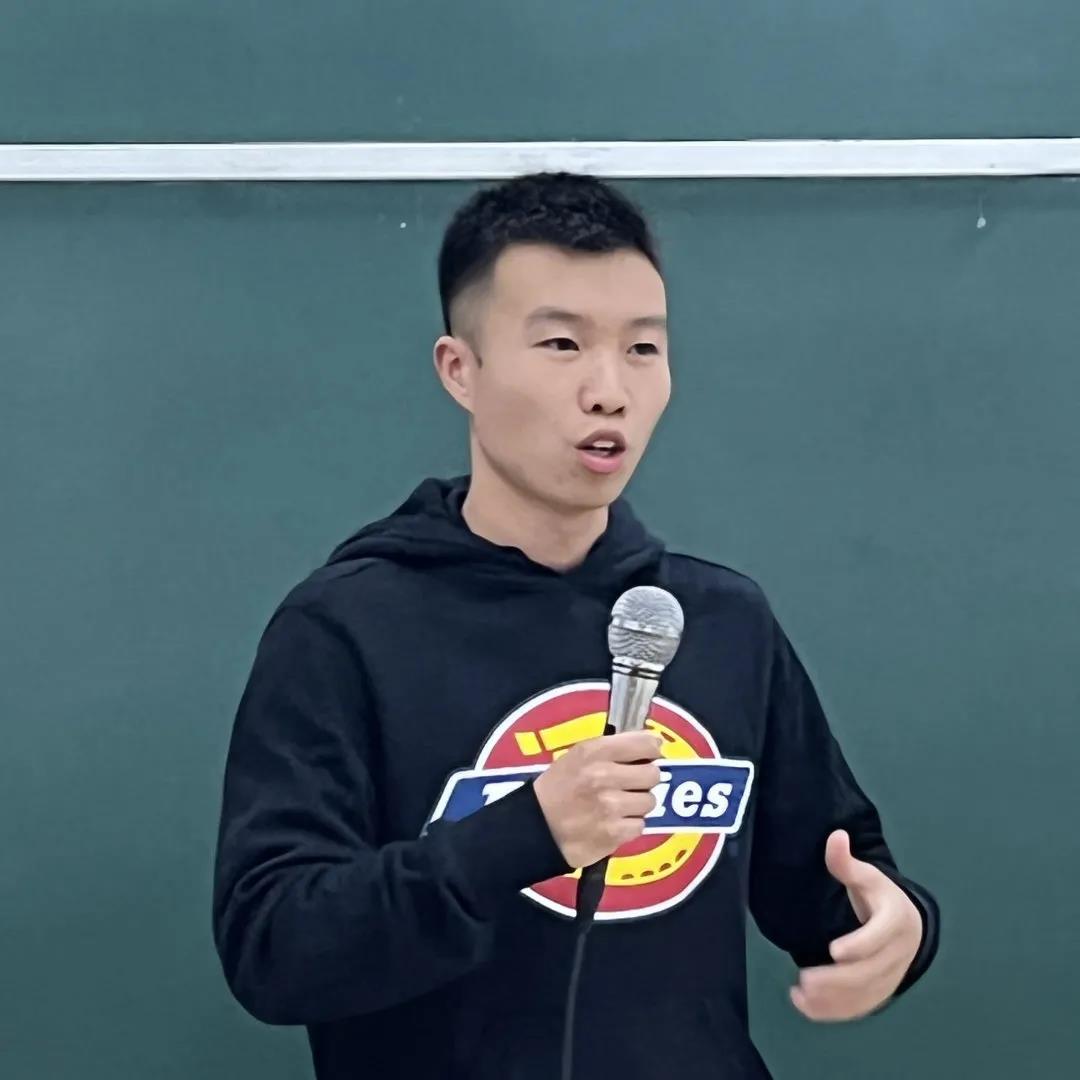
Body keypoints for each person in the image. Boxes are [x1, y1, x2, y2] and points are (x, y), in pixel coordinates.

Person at [212, 172, 939, 1079]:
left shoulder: (722, 623)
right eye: (562, 343)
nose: (609, 391)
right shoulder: (345, 628)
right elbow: (275, 948)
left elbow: (833, 879)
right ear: (460, 370)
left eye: (643, 349)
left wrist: (899, 927)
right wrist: (523, 834)